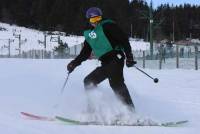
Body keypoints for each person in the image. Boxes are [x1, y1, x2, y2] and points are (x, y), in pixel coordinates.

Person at [67, 7, 136, 112]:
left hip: (116, 58)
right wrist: (74, 63)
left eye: (98, 18)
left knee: (115, 84)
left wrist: (129, 56)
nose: (96, 22)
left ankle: (130, 112)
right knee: (89, 81)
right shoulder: (90, 33)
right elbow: (85, 52)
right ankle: (93, 110)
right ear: (88, 20)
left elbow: (123, 40)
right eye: (93, 20)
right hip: (106, 62)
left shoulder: (108, 26)